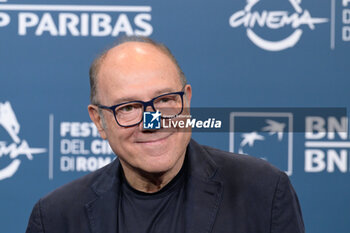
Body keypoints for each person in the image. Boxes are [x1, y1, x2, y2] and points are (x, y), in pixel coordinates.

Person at [26, 37, 305, 233]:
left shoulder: (262, 191)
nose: (153, 120)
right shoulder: (55, 218)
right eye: (129, 107)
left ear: (187, 100)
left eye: (164, 100)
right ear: (99, 121)